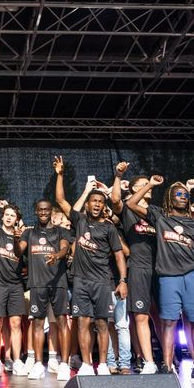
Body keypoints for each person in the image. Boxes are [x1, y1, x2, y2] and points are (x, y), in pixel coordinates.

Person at [126, 175, 194, 386]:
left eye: (185, 195)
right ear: (170, 197)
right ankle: (167, 367)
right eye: (178, 194)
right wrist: (150, 184)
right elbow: (131, 203)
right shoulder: (160, 217)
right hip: (169, 277)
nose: (183, 197)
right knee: (168, 322)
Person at [55, 158, 127, 376]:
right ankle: (87, 364)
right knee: (83, 323)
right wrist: (60, 174)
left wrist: (122, 280)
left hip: (103, 282)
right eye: (93, 200)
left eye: (100, 202)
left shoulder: (109, 228)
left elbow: (119, 256)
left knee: (103, 323)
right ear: (87, 203)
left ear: (103, 206)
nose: (96, 204)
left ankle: (103, 364)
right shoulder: (79, 221)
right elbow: (60, 200)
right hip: (80, 282)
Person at [110, 163, 160, 374]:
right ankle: (146, 360)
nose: (148, 187)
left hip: (160, 267)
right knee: (140, 316)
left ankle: (167, 358)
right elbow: (114, 200)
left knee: (163, 317)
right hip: (138, 267)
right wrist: (118, 175)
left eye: (148, 184)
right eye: (142, 185)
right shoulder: (127, 210)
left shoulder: (156, 212)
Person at [16, 200, 71, 380]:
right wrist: (16, 240)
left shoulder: (60, 231)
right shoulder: (28, 233)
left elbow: (65, 247)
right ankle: (39, 364)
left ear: (50, 212)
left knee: (62, 321)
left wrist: (57, 255)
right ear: (35, 211)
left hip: (58, 283)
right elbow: (19, 251)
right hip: (37, 284)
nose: (43, 212)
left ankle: (64, 363)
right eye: (40, 210)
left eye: (46, 210)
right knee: (38, 324)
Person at [0, 202, 25, 377]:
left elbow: (20, 254)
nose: (9, 217)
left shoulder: (21, 237)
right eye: (6, 214)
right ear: (2, 217)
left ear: (17, 220)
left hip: (15, 285)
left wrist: (18, 237)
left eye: (12, 215)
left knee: (16, 323)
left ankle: (16, 361)